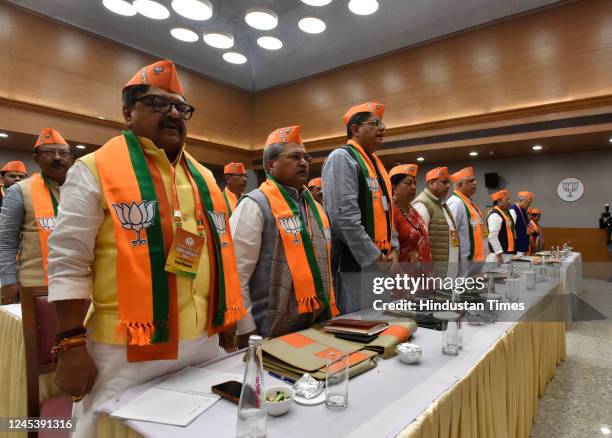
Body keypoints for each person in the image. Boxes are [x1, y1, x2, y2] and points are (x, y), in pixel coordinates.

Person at [46, 60, 246, 437]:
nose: (173, 113)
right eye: (158, 104)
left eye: (181, 108)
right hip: (125, 351)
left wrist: (226, 320)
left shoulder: (204, 178)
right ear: (127, 113)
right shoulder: (94, 169)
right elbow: (68, 260)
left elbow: (219, 256)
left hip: (203, 344)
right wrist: (71, 344)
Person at [231, 126, 338, 345]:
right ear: (271, 165)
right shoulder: (254, 205)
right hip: (268, 332)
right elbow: (235, 274)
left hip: (314, 326)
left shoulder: (315, 207)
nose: (304, 163)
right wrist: (245, 329)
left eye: (306, 157)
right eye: (294, 157)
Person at [321, 102, 398, 314]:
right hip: (355, 265)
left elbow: (388, 213)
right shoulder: (342, 158)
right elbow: (343, 218)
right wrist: (376, 257)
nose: (382, 128)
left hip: (380, 263)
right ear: (355, 129)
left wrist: (394, 249)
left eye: (382, 124)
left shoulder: (377, 166)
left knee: (380, 326)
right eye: (375, 123)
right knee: (357, 329)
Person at [0, 130, 73, 304]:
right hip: (36, 286)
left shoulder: (83, 189)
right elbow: (6, 241)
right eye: (48, 152)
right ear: (36, 158)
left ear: (70, 158)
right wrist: (9, 281)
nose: (57, 157)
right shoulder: (19, 191)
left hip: (80, 282)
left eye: (63, 153)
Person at [412, 167, 459, 278]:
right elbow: (419, 243)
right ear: (431, 183)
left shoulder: (441, 203)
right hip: (435, 275)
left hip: (447, 272)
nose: (448, 186)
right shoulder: (422, 205)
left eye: (448, 182)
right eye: (443, 182)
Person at [389, 164, 432, 276]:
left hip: (421, 276)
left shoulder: (413, 210)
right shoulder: (390, 212)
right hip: (401, 278)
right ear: (394, 187)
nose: (413, 187)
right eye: (408, 183)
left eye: (415, 184)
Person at [446, 166, 488, 276]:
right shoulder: (455, 203)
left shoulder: (470, 203)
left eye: (474, 180)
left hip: (473, 263)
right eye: (470, 181)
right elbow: (449, 234)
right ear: (460, 185)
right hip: (463, 263)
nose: (475, 183)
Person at [487, 189, 516, 266]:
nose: (510, 201)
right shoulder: (495, 215)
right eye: (507, 199)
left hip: (506, 254)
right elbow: (492, 237)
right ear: (499, 201)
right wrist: (499, 255)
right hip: (498, 256)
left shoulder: (505, 213)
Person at [509, 191, 533, 256]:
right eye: (529, 202)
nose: (529, 205)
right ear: (523, 201)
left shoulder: (523, 211)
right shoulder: (513, 210)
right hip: (517, 248)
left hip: (522, 247)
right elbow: (510, 229)